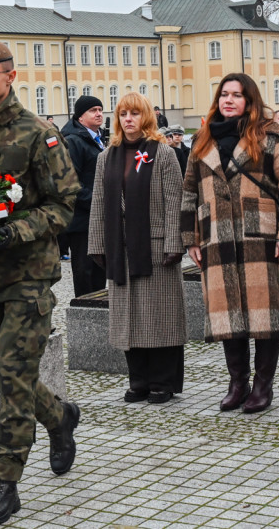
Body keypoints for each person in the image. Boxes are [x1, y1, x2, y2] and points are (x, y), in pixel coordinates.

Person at [0, 39, 81, 526]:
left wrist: (15, 230)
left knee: (14, 375)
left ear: (10, 77)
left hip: (28, 273)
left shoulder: (37, 134)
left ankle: (5, 484)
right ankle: (60, 417)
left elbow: (64, 203)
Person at [182, 73, 279, 414]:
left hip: (259, 235)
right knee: (226, 313)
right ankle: (238, 383)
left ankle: (263, 385)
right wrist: (190, 238)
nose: (229, 100)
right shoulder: (202, 140)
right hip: (216, 236)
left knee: (265, 314)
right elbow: (188, 192)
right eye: (224, 94)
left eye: (236, 95)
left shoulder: (271, 135)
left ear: (250, 100)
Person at [90, 93, 185, 403]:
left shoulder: (163, 153)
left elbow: (175, 201)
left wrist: (175, 241)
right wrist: (98, 244)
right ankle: (139, 380)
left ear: (146, 117)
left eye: (134, 113)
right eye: (122, 114)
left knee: (161, 318)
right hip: (121, 248)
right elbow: (100, 204)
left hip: (156, 248)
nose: (128, 119)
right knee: (128, 317)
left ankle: (163, 382)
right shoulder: (107, 156)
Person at [60, 95, 106, 298]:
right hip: (82, 222)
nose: (99, 114)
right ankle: (87, 316)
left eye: (100, 109)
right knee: (85, 274)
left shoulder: (96, 138)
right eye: (93, 110)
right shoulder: (73, 142)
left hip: (97, 218)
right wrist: (99, 202)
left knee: (100, 272)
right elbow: (70, 184)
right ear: (80, 116)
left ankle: (99, 315)